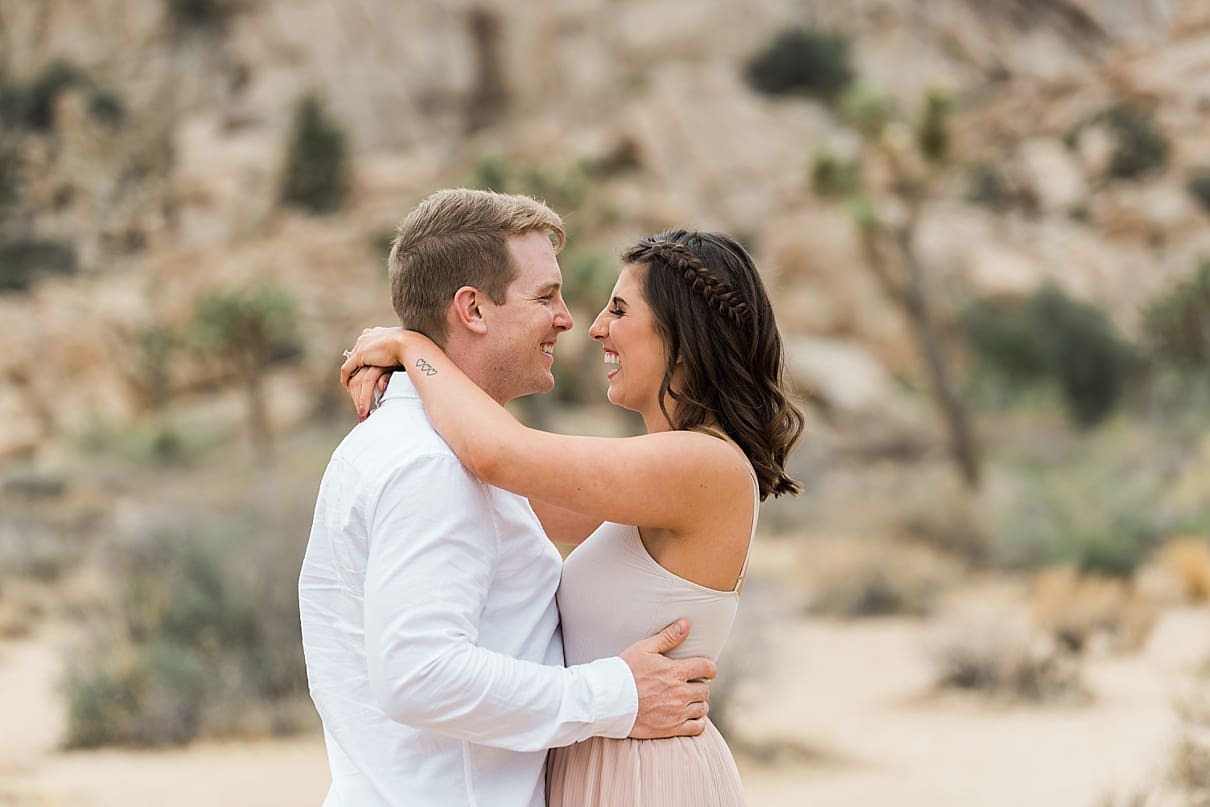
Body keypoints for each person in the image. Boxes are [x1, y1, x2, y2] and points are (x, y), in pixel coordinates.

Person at [340, 226, 805, 806]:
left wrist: (415, 348)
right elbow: (492, 480)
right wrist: (414, 387)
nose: (594, 328)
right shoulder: (657, 479)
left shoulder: (703, 464)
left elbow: (498, 454)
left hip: (648, 778)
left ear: (682, 335)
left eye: (618, 309)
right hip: (603, 762)